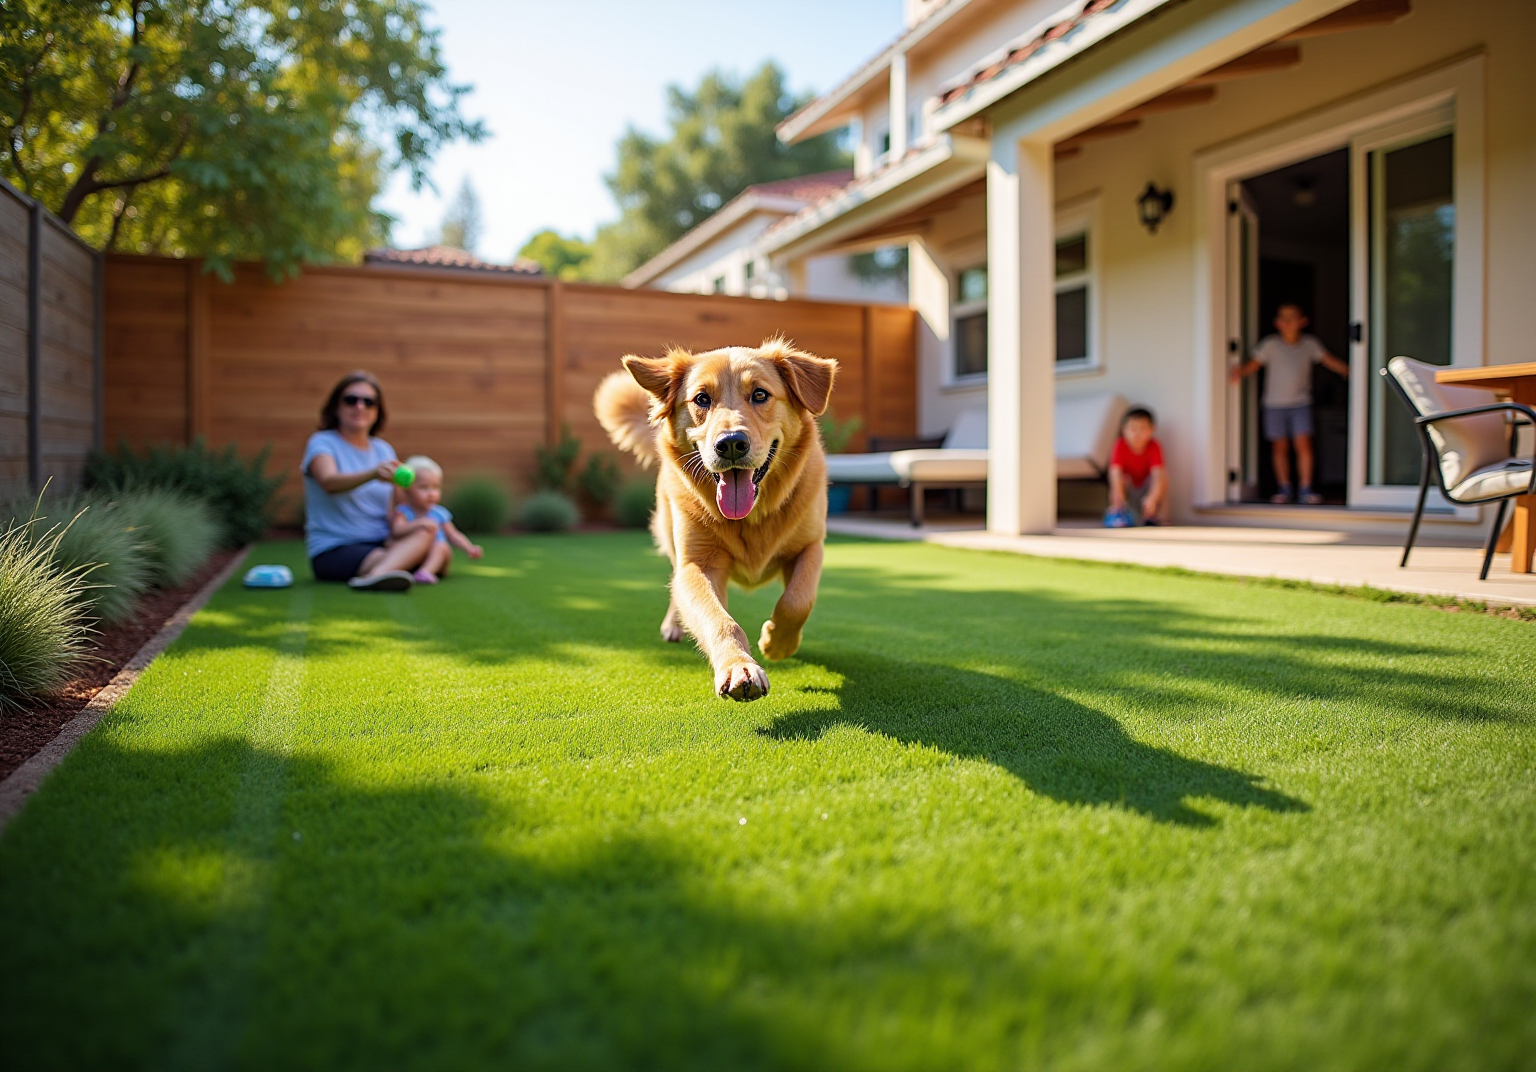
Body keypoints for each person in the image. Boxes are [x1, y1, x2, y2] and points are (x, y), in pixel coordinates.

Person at [302, 371, 435, 591]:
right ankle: (380, 573)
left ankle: (384, 570)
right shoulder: (322, 443)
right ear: (336, 406)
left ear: (377, 411)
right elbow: (328, 482)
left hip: (381, 541)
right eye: (350, 400)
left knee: (428, 536)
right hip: (336, 548)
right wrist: (372, 474)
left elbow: (397, 505)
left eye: (369, 402)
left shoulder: (383, 450)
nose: (360, 406)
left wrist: (413, 491)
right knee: (411, 558)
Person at [1230, 304, 1350, 505]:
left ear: (1303, 321)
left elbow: (1328, 360)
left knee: (1303, 445)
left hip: (1301, 403)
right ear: (1277, 323)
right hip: (1274, 404)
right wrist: (1237, 372)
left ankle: (1306, 489)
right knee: (1280, 447)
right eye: (1282, 318)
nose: (1286, 322)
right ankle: (1284, 489)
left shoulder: (1310, 344)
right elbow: (1253, 364)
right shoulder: (1270, 345)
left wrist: (1349, 369)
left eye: (1291, 317)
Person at [389, 455, 483, 584]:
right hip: (415, 558)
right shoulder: (403, 512)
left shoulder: (439, 514)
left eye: (436, 487)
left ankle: (425, 573)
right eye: (424, 487)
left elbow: (453, 534)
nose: (431, 493)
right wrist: (418, 524)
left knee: (441, 546)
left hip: (439, 561)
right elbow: (397, 530)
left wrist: (469, 547)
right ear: (407, 490)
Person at [1105, 406, 1167, 527]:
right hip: (1128, 487)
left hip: (1145, 487)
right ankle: (1118, 512)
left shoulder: (1154, 446)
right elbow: (1115, 472)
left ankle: (1156, 515)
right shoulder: (1119, 445)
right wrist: (1118, 492)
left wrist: (1153, 497)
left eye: (1142, 429)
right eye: (1133, 429)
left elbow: (1158, 474)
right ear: (1124, 430)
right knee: (1119, 480)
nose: (1137, 434)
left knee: (1164, 478)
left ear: (1152, 429)